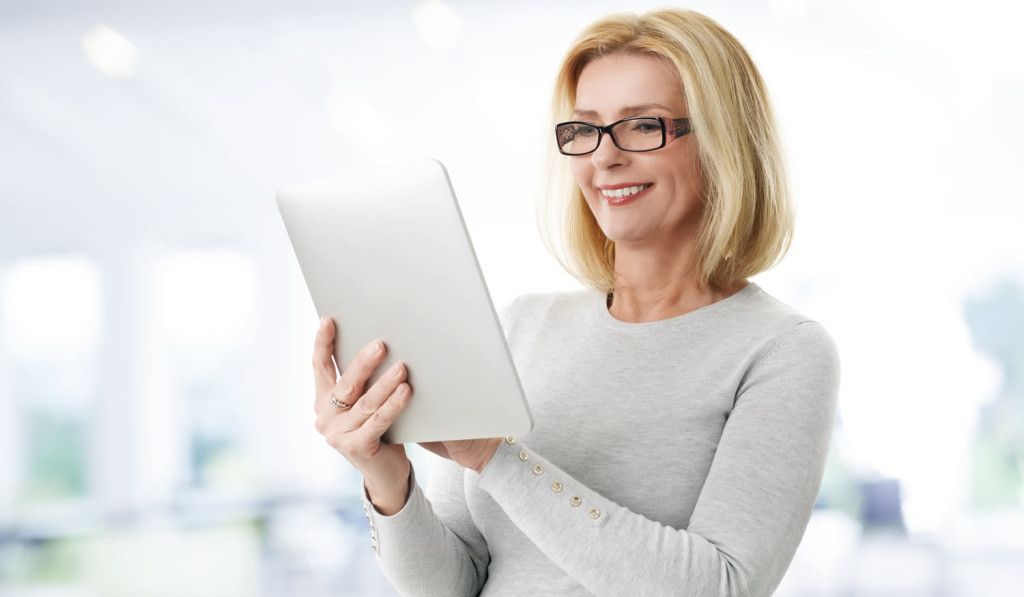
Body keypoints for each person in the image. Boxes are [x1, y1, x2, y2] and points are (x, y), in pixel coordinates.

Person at [311, 8, 839, 597]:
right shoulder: (524, 326)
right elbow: (451, 585)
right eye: (585, 129)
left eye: (643, 125)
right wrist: (387, 477)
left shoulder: (782, 350)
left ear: (723, 141)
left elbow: (719, 586)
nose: (604, 157)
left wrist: (495, 457)